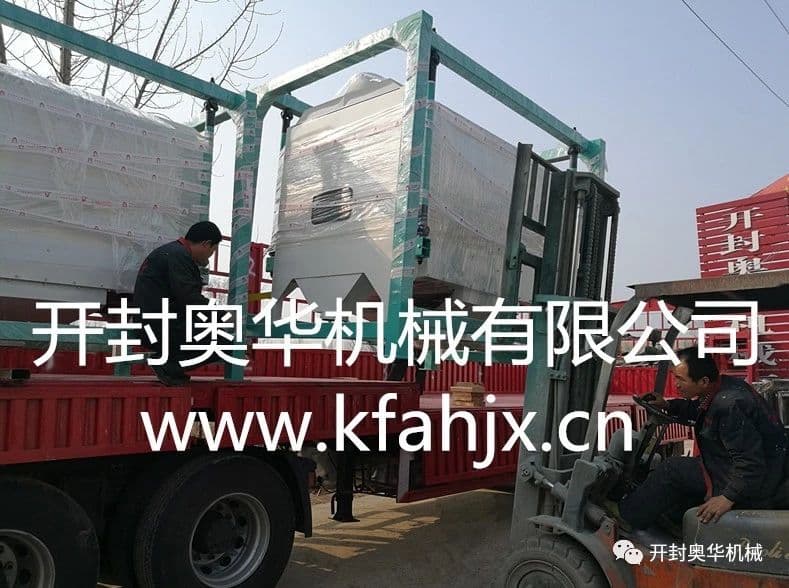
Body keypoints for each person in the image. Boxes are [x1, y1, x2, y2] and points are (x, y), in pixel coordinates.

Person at [618, 346, 786, 531]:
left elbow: (751, 463)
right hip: (741, 468)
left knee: (671, 469)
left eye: (681, 379)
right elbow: (700, 410)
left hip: (757, 483)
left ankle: (625, 518)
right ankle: (672, 521)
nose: (676, 384)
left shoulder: (729, 406)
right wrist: (668, 405)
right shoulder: (722, 388)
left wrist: (727, 497)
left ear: (704, 381)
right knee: (684, 476)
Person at [133, 221, 222, 385]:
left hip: (154, 324)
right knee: (224, 342)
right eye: (213, 250)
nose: (210, 256)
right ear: (206, 244)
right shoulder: (179, 256)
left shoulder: (171, 252)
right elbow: (189, 298)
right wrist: (222, 315)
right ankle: (168, 366)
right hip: (160, 327)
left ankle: (169, 364)